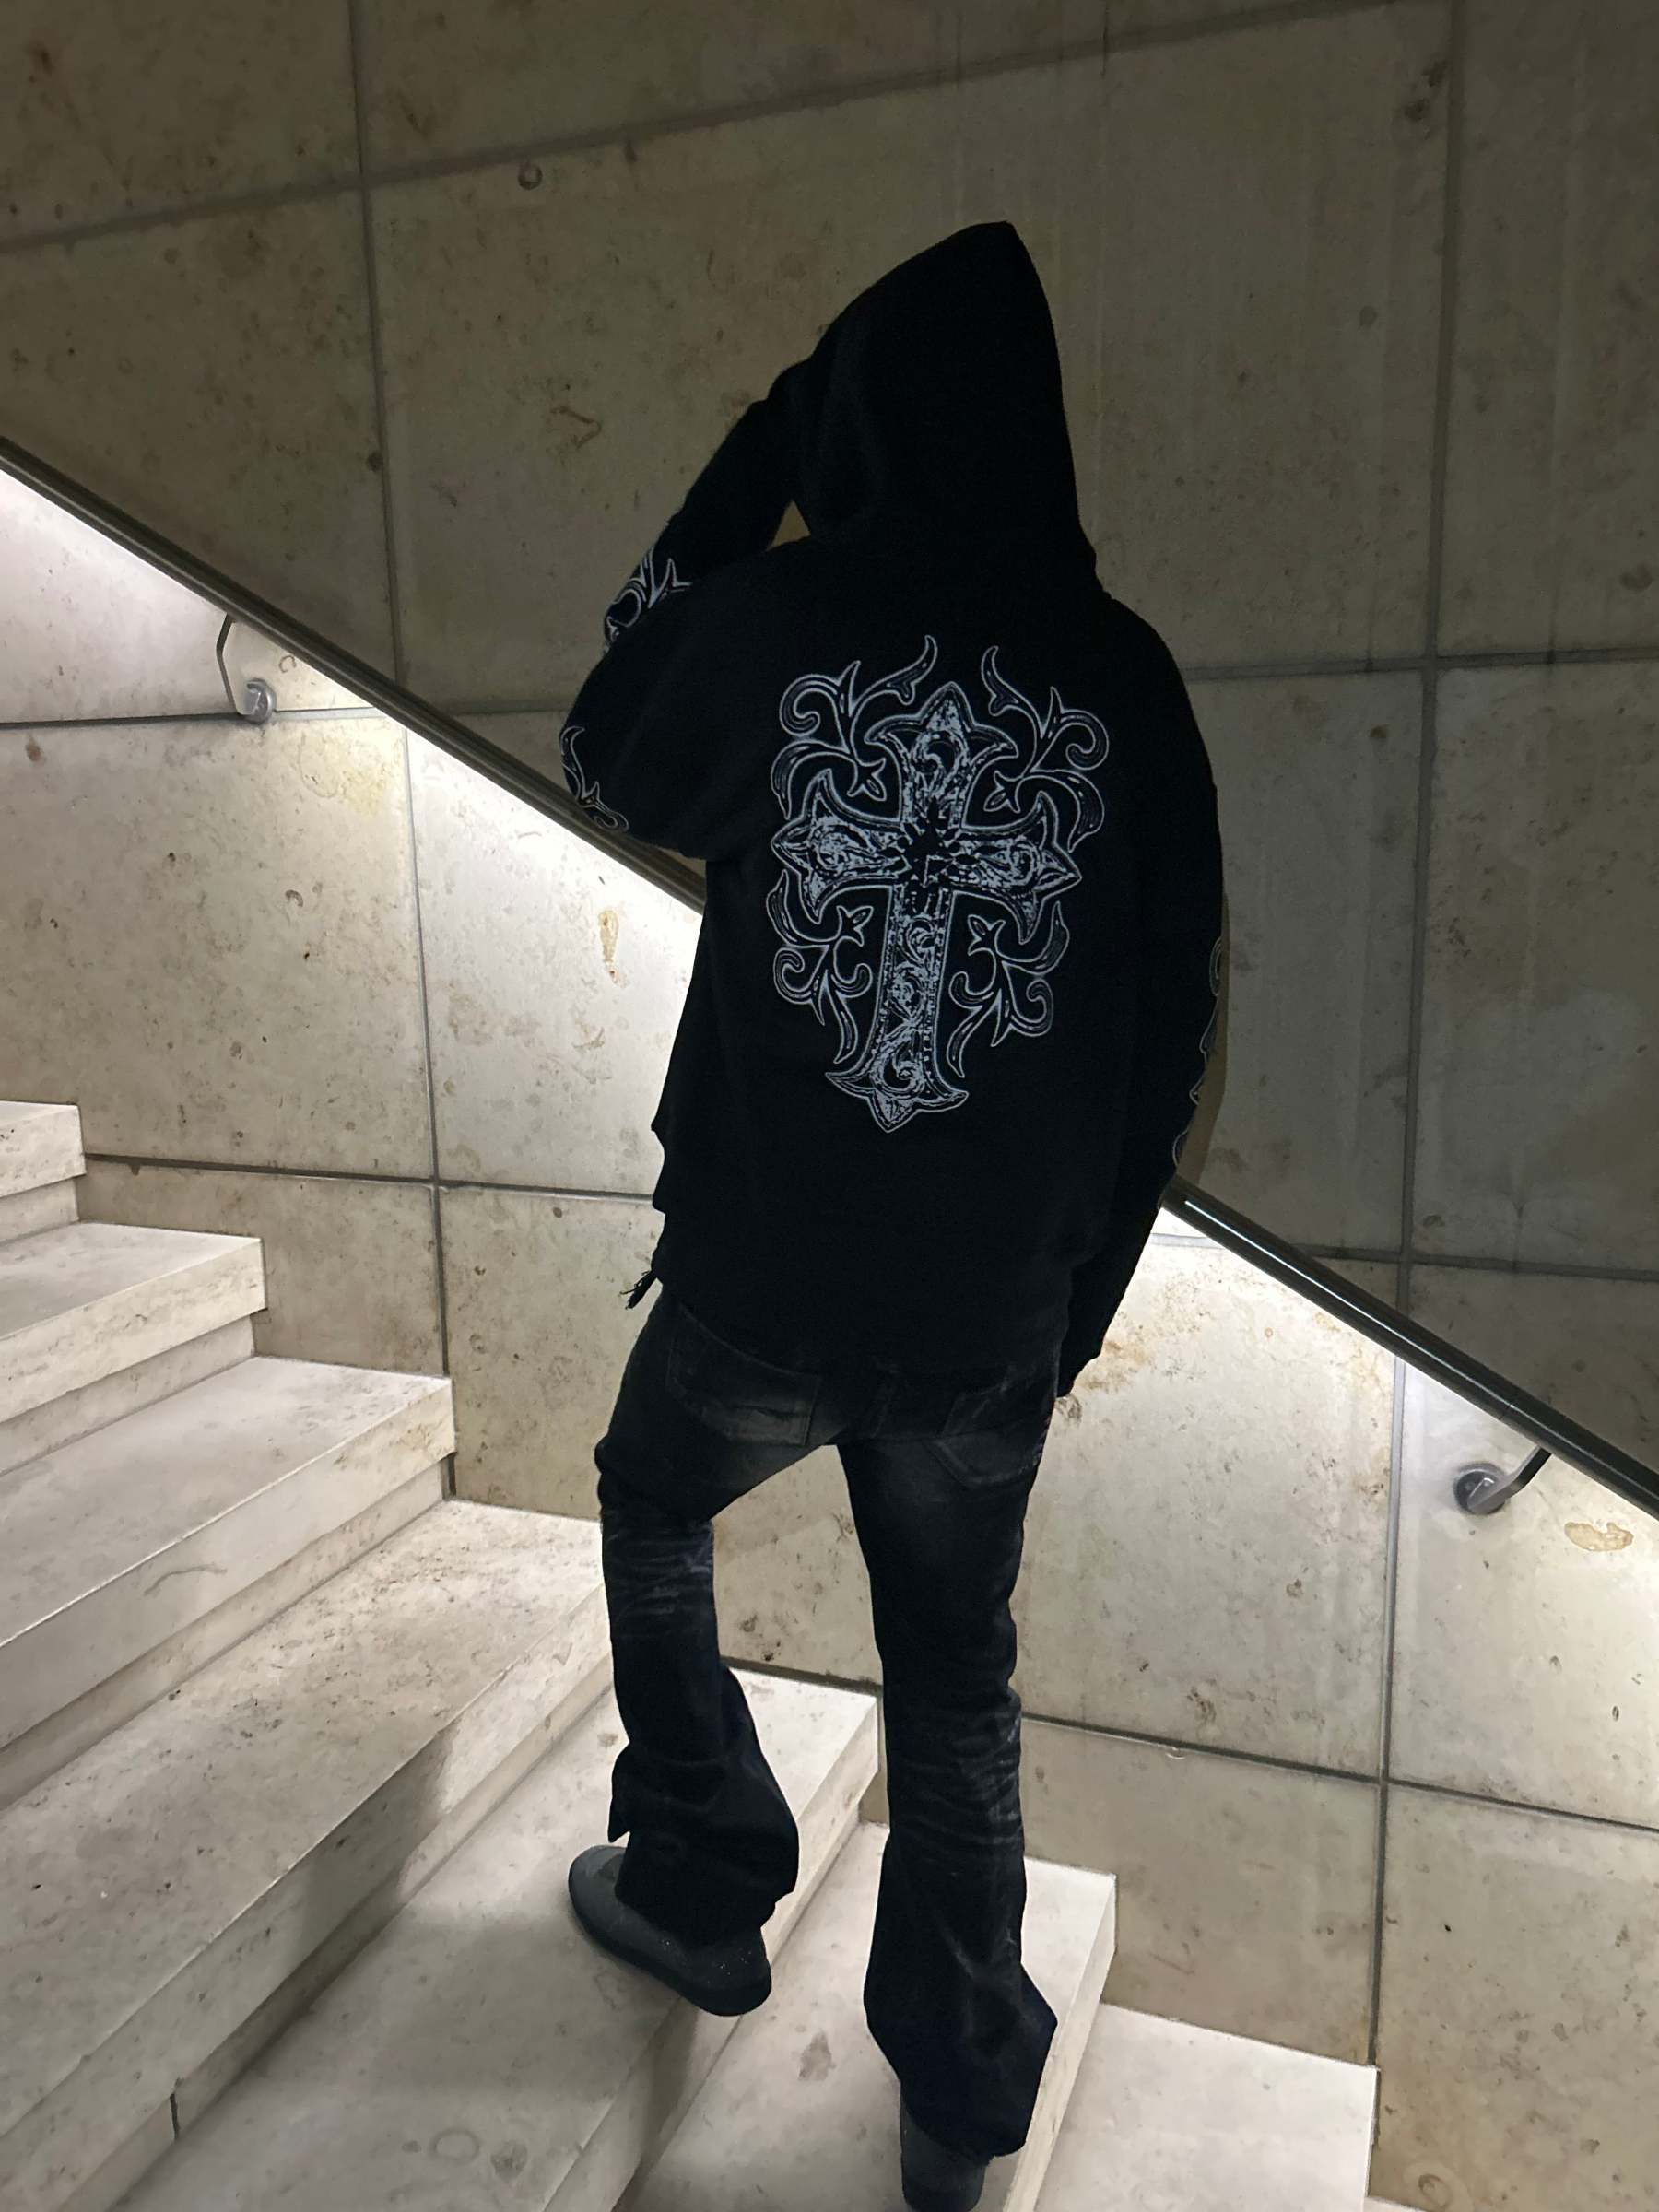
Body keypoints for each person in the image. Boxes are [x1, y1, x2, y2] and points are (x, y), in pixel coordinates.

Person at [559, 220, 1224, 2212]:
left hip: (760, 1283)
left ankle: (700, 1875)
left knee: (654, 1497)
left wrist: (749, 467)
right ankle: (954, 2099)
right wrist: (1071, 1302)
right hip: (984, 1324)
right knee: (952, 1679)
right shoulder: (1124, 679)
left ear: (853, 419)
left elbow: (603, 732)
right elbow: (1172, 1027)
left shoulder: (776, 626)